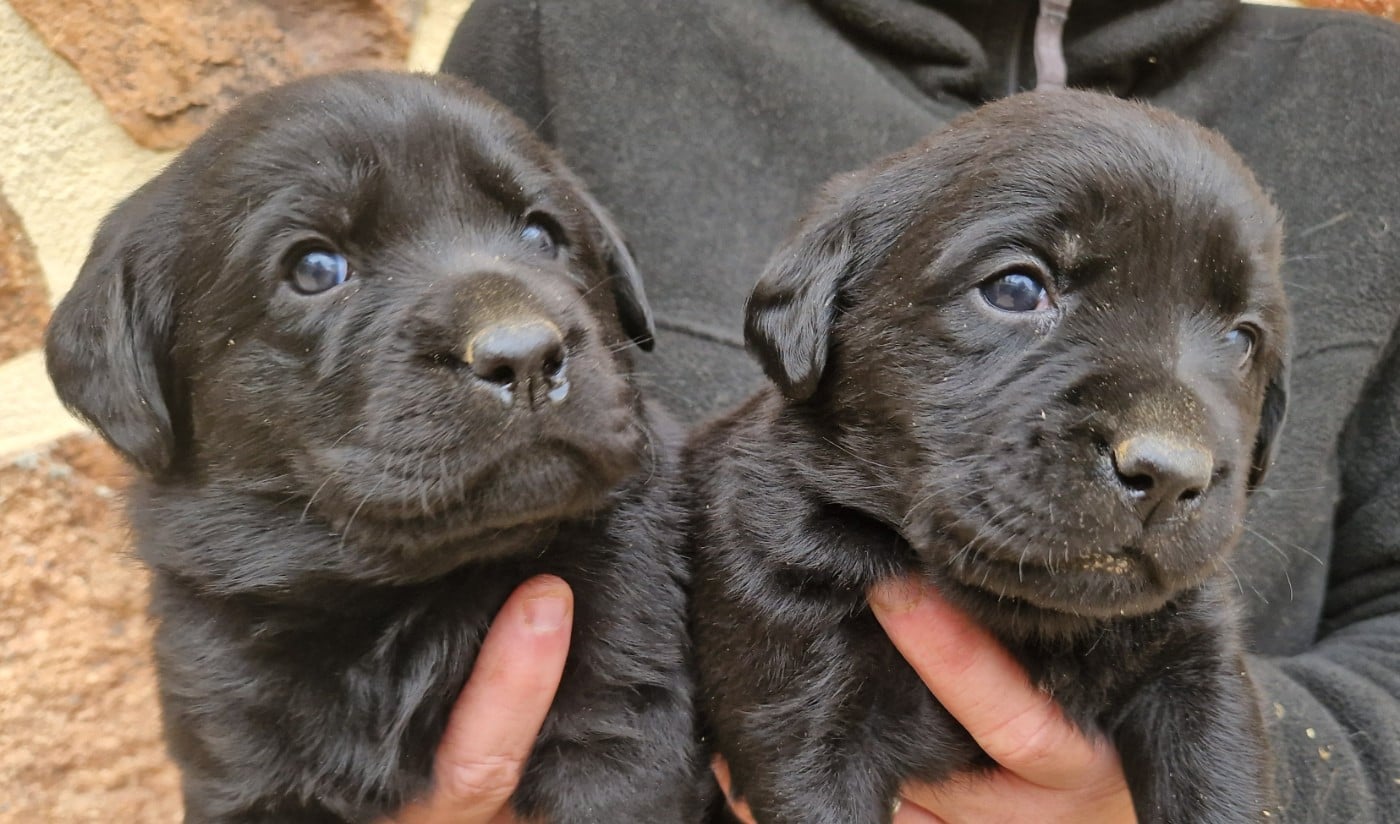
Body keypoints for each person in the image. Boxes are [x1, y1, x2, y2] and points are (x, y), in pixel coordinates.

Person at [393, 0, 1400, 820]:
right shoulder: (574, 29)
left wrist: (1283, 769)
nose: (1171, 443)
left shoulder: (1368, 96)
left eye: (1238, 340)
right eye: (1015, 288)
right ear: (810, 321)